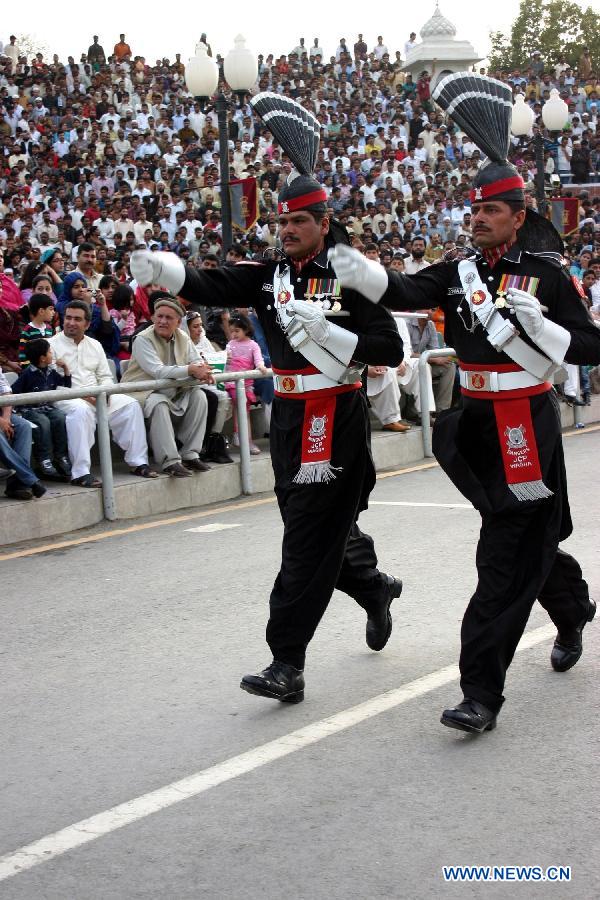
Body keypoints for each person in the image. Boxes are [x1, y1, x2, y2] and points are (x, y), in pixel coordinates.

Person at [329, 74, 600, 735]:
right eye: (471, 210)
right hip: (477, 426)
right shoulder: (456, 274)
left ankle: (481, 692)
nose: (476, 218)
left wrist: (548, 330)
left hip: (526, 425)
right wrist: (362, 272)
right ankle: (570, 608)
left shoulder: (549, 276)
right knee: (528, 542)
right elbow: (402, 288)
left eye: (490, 210)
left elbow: (591, 347)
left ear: (518, 213)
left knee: (503, 556)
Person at [130, 92, 404, 704]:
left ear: (323, 224)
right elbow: (206, 282)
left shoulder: (352, 277)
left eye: (297, 223)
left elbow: (390, 345)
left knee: (305, 539)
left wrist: (336, 332)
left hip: (333, 416)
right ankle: (373, 585)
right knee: (315, 530)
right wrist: (164, 269)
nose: (285, 232)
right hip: (288, 418)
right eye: (280, 223)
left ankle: (287, 660)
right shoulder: (267, 276)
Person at [49, 301, 156, 487]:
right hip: (65, 397)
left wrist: (104, 394)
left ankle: (138, 462)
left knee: (129, 405)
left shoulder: (95, 345)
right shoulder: (50, 345)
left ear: (87, 324)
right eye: (68, 318)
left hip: (97, 395)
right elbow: (52, 383)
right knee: (81, 411)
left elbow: (105, 376)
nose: (71, 322)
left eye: (77, 319)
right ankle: (80, 473)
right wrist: (86, 397)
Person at [121, 296, 212, 477]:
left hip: (173, 389)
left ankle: (190, 454)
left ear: (178, 322)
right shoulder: (142, 339)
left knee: (199, 396)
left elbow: (195, 361)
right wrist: (192, 369)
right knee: (159, 402)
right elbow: (158, 371)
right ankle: (170, 461)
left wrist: (204, 370)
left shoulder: (182, 336)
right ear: (153, 318)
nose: (162, 321)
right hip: (141, 392)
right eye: (159, 316)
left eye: (168, 318)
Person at [11, 338, 72, 480]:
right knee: (43, 422)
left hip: (45, 407)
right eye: (49, 352)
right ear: (42, 358)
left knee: (60, 417)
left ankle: (61, 456)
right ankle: (44, 459)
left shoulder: (51, 372)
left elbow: (65, 387)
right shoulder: (27, 374)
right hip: (28, 410)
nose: (52, 354)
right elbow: (13, 392)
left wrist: (66, 370)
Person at [0, 366, 46, 501]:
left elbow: (5, 391)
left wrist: (7, 418)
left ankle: (17, 485)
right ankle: (29, 480)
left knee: (23, 426)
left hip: (2, 413)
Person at [224, 312, 268, 454]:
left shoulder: (253, 345)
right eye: (231, 332)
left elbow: (258, 359)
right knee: (242, 406)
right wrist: (226, 359)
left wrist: (261, 366)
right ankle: (244, 440)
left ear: (246, 329)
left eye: (237, 331)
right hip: (232, 383)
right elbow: (225, 362)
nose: (234, 334)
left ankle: (241, 437)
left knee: (244, 409)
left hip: (247, 384)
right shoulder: (230, 344)